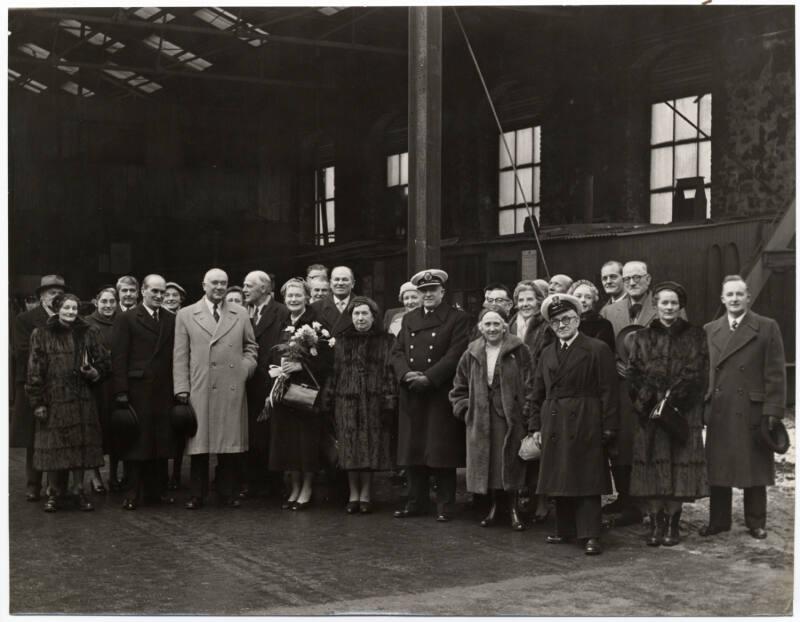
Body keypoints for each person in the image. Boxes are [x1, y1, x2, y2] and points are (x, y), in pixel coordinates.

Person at [529, 294, 618, 555]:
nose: (561, 325)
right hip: (554, 420)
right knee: (560, 475)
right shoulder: (547, 353)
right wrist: (535, 426)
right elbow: (537, 392)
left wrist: (608, 427)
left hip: (586, 418)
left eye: (566, 319)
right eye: (555, 321)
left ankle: (590, 534)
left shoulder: (597, 348)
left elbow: (609, 391)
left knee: (587, 476)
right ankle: (564, 529)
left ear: (577, 319)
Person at [701, 275, 787, 540]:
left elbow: (775, 372)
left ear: (748, 297)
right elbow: (704, 372)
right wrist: (703, 405)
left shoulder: (766, 327)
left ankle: (756, 521)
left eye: (740, 294)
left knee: (755, 468)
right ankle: (718, 520)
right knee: (719, 468)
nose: (735, 299)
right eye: (730, 295)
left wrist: (772, 410)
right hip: (720, 408)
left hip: (752, 409)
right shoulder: (710, 329)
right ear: (723, 299)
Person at [599, 260, 685, 524]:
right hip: (623, 390)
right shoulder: (609, 311)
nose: (632, 283)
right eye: (627, 279)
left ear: (648, 279)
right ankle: (627, 502)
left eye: (637, 278)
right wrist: (616, 363)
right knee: (623, 445)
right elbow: (603, 348)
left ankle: (656, 507)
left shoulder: (666, 307)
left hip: (656, 390)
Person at [627, 282, 709, 546]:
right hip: (649, 414)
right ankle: (656, 523)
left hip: (682, 414)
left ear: (680, 306)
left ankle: (673, 525)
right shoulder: (641, 337)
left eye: (674, 303)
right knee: (651, 468)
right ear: (656, 305)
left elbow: (697, 373)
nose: (669, 307)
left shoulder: (696, 335)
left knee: (678, 471)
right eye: (664, 302)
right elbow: (634, 374)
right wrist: (649, 401)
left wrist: (672, 403)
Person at [173, 268, 258, 509]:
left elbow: (251, 347)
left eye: (224, 283)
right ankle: (197, 494)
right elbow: (180, 355)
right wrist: (181, 388)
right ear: (204, 285)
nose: (219, 287)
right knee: (200, 445)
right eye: (214, 283)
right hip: (201, 385)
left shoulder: (240, 313)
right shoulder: (186, 314)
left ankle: (228, 492)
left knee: (229, 445)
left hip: (231, 384)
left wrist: (245, 369)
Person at [391, 269, 470, 522]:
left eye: (432, 290)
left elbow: (456, 353)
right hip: (412, 392)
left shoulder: (457, 318)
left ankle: (445, 505)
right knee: (414, 449)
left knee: (440, 450)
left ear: (442, 292)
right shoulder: (409, 318)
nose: (427, 295)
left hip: (439, 392)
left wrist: (429, 377)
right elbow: (397, 352)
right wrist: (405, 375)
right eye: (423, 291)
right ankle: (416, 502)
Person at [449, 308, 534, 531]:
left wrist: (525, 412)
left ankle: (514, 509)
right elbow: (458, 388)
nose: (492, 328)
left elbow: (531, 384)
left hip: (511, 419)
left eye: (497, 324)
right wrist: (467, 411)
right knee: (491, 466)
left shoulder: (519, 350)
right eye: (487, 325)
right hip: (482, 421)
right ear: (481, 328)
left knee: (512, 464)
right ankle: (495, 507)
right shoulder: (472, 353)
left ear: (505, 326)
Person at [26, 293, 110, 512]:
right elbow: (35, 372)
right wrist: (38, 403)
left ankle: (78, 491)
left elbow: (104, 363)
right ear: (57, 309)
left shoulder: (90, 332)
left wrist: (93, 372)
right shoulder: (41, 334)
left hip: (83, 399)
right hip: (54, 400)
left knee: (81, 449)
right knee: (54, 448)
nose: (71, 312)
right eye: (66, 308)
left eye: (74, 308)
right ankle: (53, 493)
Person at [321, 296, 396, 514]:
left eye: (365, 314)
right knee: (349, 450)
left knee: (370, 449)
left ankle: (366, 495)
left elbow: (390, 374)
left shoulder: (386, 341)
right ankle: (353, 494)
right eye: (356, 314)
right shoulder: (342, 341)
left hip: (374, 403)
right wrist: (328, 401)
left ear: (373, 316)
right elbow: (333, 374)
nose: (360, 318)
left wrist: (389, 401)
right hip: (346, 402)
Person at [112, 275, 176, 510]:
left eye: (162, 292)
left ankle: (156, 491)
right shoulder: (127, 318)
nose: (159, 296)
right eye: (155, 292)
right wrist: (121, 391)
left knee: (160, 441)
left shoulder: (170, 319)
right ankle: (132, 492)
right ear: (143, 292)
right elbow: (119, 357)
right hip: (137, 389)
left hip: (163, 388)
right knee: (136, 442)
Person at [268, 278, 329, 510]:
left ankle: (307, 488)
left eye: (298, 295)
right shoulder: (282, 321)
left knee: (306, 443)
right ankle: (294, 487)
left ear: (306, 297)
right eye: (289, 296)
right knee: (288, 442)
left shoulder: (316, 323)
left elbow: (327, 358)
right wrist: (275, 368)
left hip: (305, 393)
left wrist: (302, 366)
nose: (293, 299)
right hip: (283, 390)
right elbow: (273, 351)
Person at [12, 275, 66, 502]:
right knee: (36, 437)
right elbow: (22, 351)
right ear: (41, 295)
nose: (56, 296)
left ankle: (58, 486)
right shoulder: (25, 319)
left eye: (59, 293)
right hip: (34, 384)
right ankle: (33, 484)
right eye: (52, 292)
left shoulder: (69, 317)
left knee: (61, 436)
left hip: (62, 387)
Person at [508, 280, 553, 522]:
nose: (525, 304)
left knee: (538, 444)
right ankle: (520, 496)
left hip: (537, 390)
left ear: (538, 301)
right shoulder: (509, 324)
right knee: (517, 446)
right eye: (521, 300)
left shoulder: (546, 328)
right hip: (512, 393)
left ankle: (542, 501)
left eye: (530, 299)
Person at [242, 270, 289, 498]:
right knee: (251, 433)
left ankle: (273, 484)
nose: (244, 290)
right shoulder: (243, 312)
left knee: (271, 434)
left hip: (270, 382)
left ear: (263, 288)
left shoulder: (282, 312)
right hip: (249, 383)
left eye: (248, 286)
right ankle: (253, 482)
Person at [84, 286, 119, 493]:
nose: (108, 305)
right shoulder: (87, 323)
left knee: (116, 429)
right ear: (96, 302)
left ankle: (114, 474)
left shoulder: (122, 321)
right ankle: (96, 476)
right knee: (96, 430)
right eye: (104, 301)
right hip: (97, 384)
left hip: (116, 382)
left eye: (111, 301)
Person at [569, 279, 615, 352]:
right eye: (578, 296)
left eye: (588, 297)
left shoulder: (603, 325)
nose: (583, 300)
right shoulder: (565, 322)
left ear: (594, 301)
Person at [311, 265, 356, 337]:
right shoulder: (314, 308)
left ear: (353, 283)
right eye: (336, 279)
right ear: (330, 283)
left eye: (345, 279)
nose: (340, 283)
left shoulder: (364, 306)